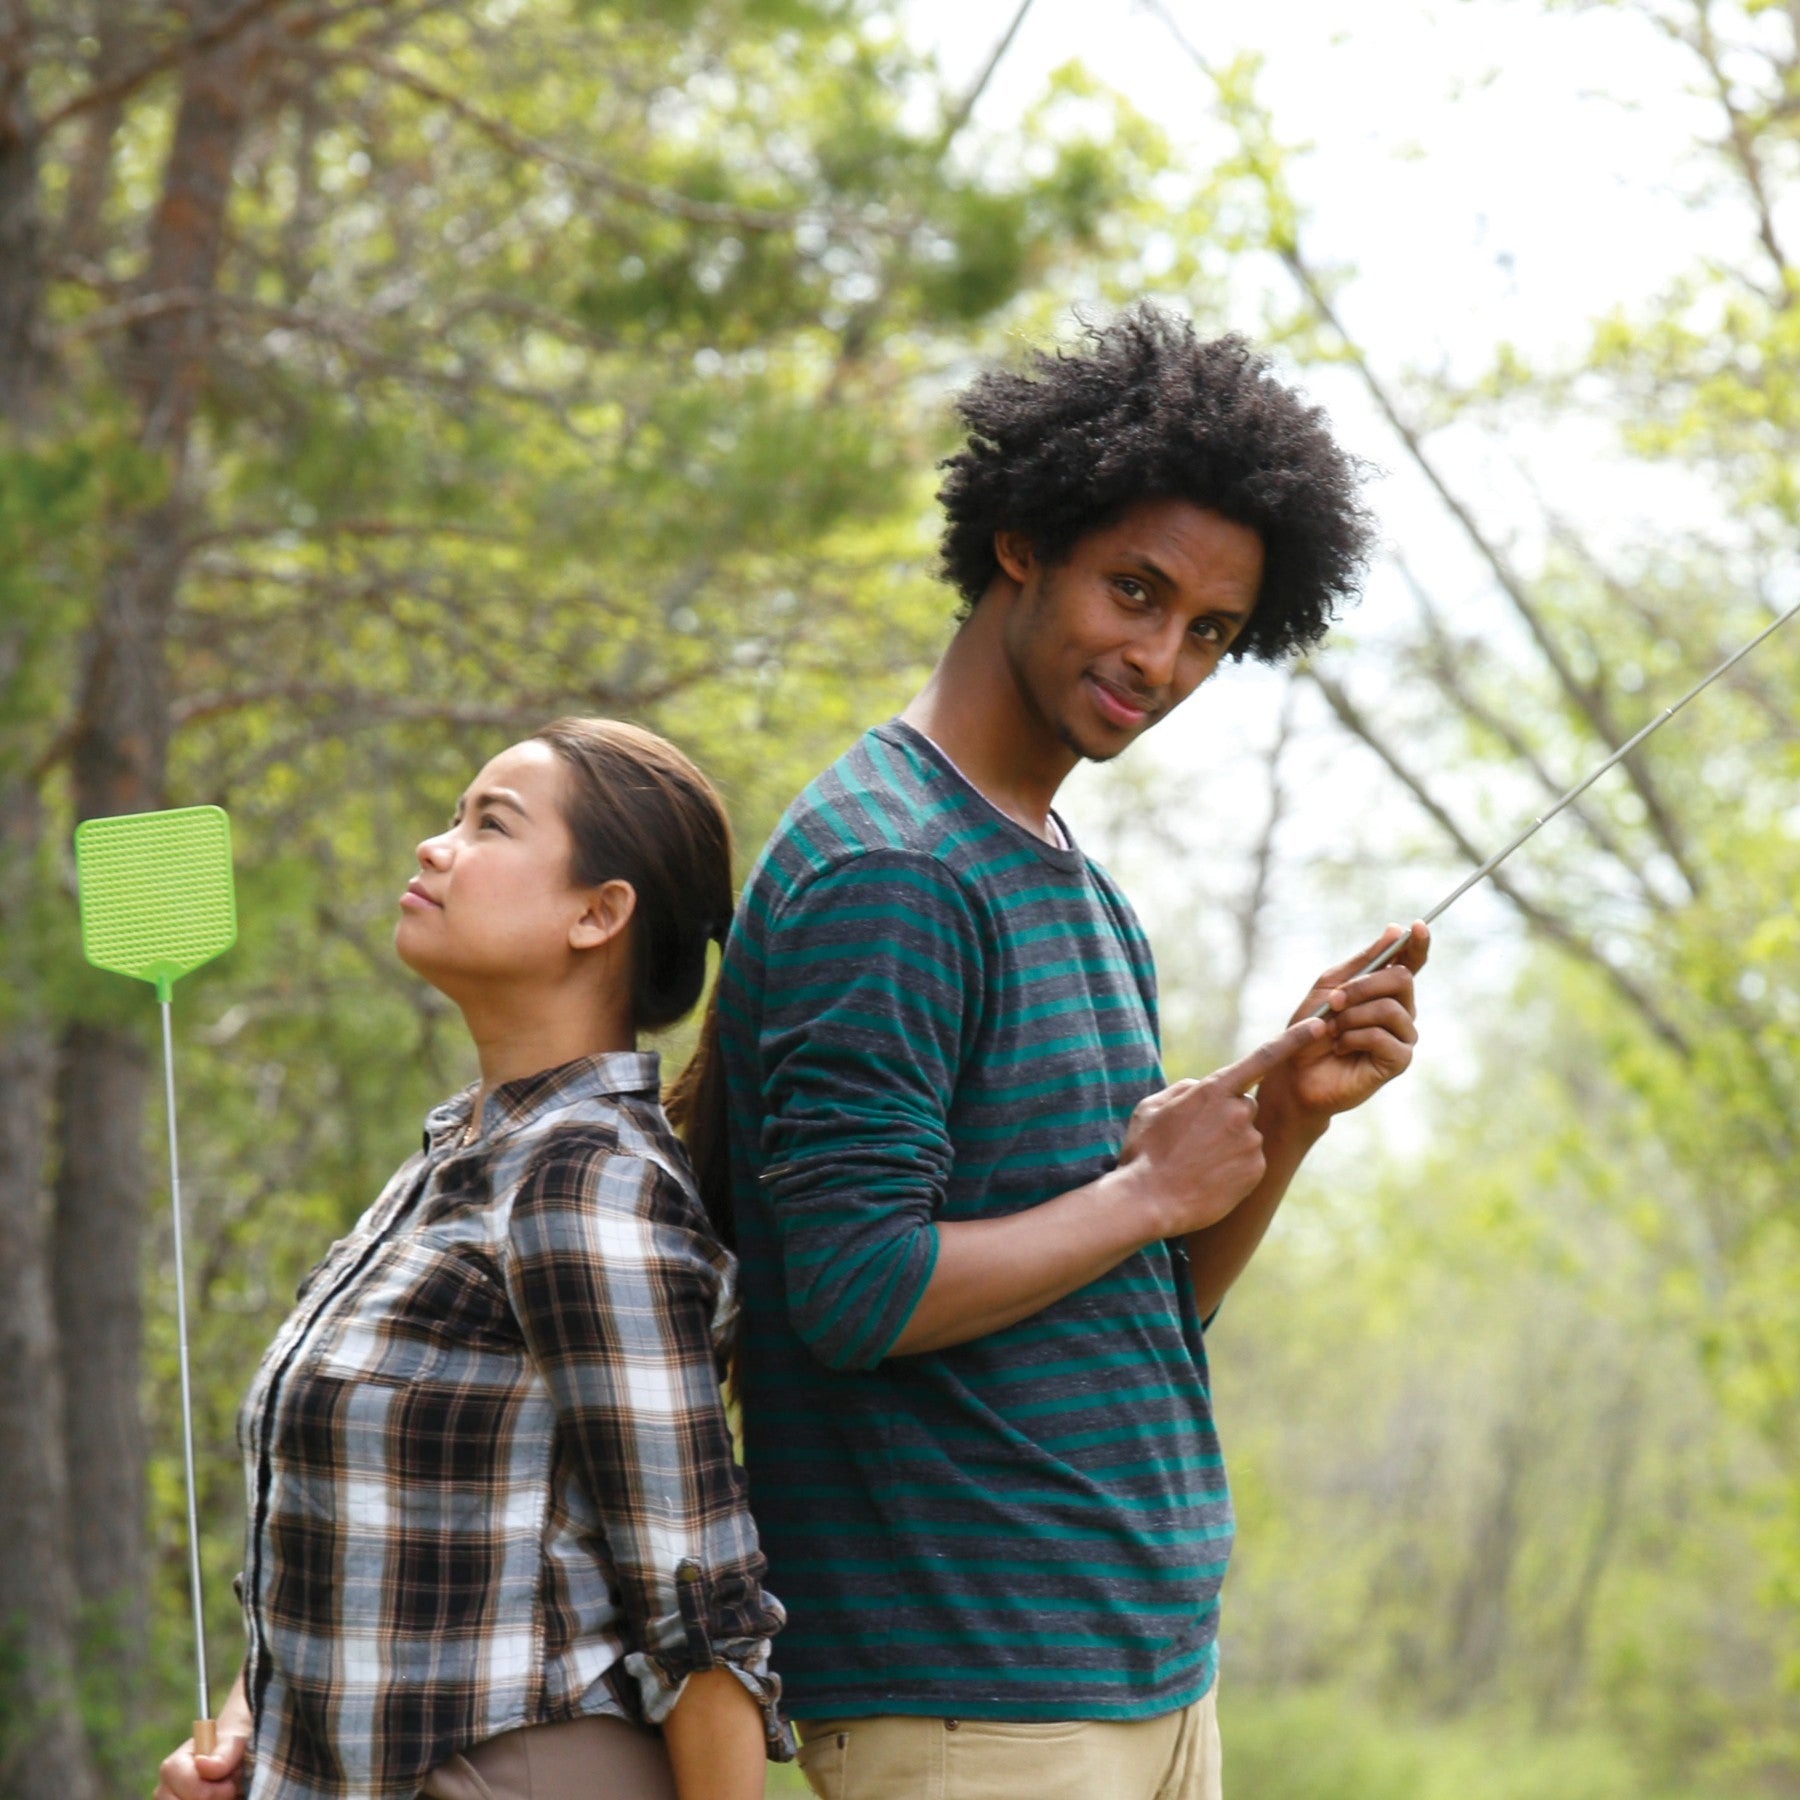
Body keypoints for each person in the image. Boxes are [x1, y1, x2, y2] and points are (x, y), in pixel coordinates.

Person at [708, 305, 1430, 1800]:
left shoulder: (1069, 883)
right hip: (980, 1700)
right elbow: (854, 1291)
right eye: (1137, 591)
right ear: (1023, 540)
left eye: (1212, 633)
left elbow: (1138, 1308)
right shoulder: (890, 871)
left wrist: (1285, 1113)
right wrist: (1147, 1195)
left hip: (1144, 1676)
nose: (1160, 660)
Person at [155, 720, 790, 1800]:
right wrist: (241, 1736)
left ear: (600, 913)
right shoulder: (457, 1161)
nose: (433, 847)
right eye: (453, 816)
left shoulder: (585, 1180)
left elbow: (702, 1616)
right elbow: (356, 1547)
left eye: (488, 825)